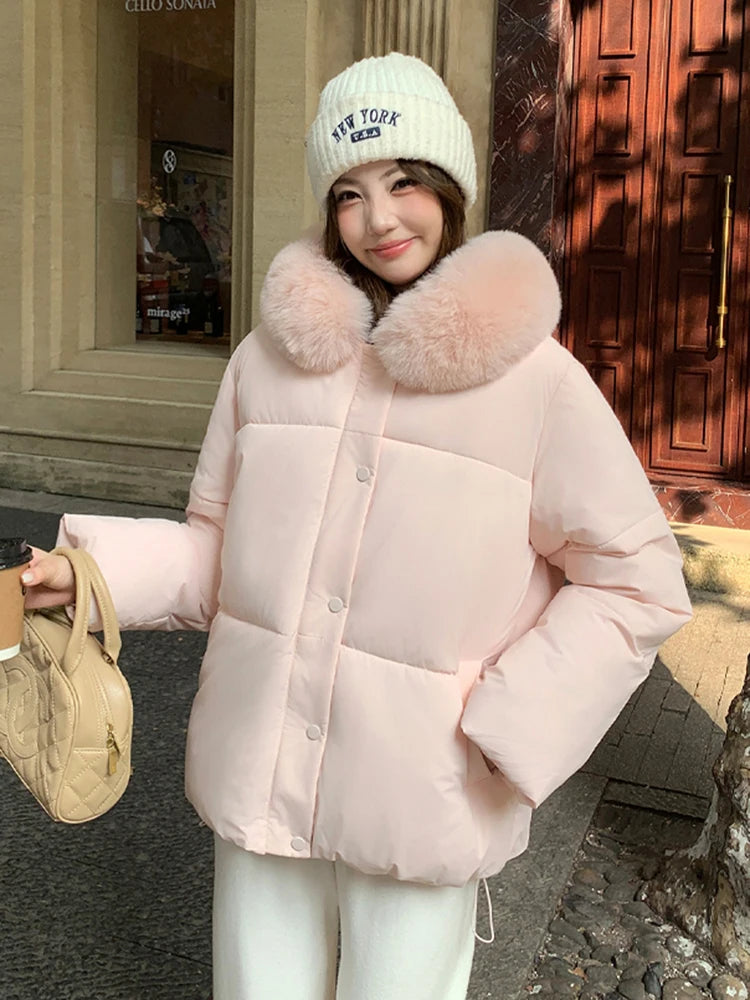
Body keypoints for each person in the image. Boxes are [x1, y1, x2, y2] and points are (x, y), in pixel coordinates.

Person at [23, 52, 692, 1000]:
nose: (379, 219)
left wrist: (507, 728)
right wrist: (91, 575)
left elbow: (637, 580)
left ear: (450, 187)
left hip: (423, 785)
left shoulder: (537, 381)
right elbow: (216, 553)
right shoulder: (265, 363)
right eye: (349, 192)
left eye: (404, 180)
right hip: (263, 764)